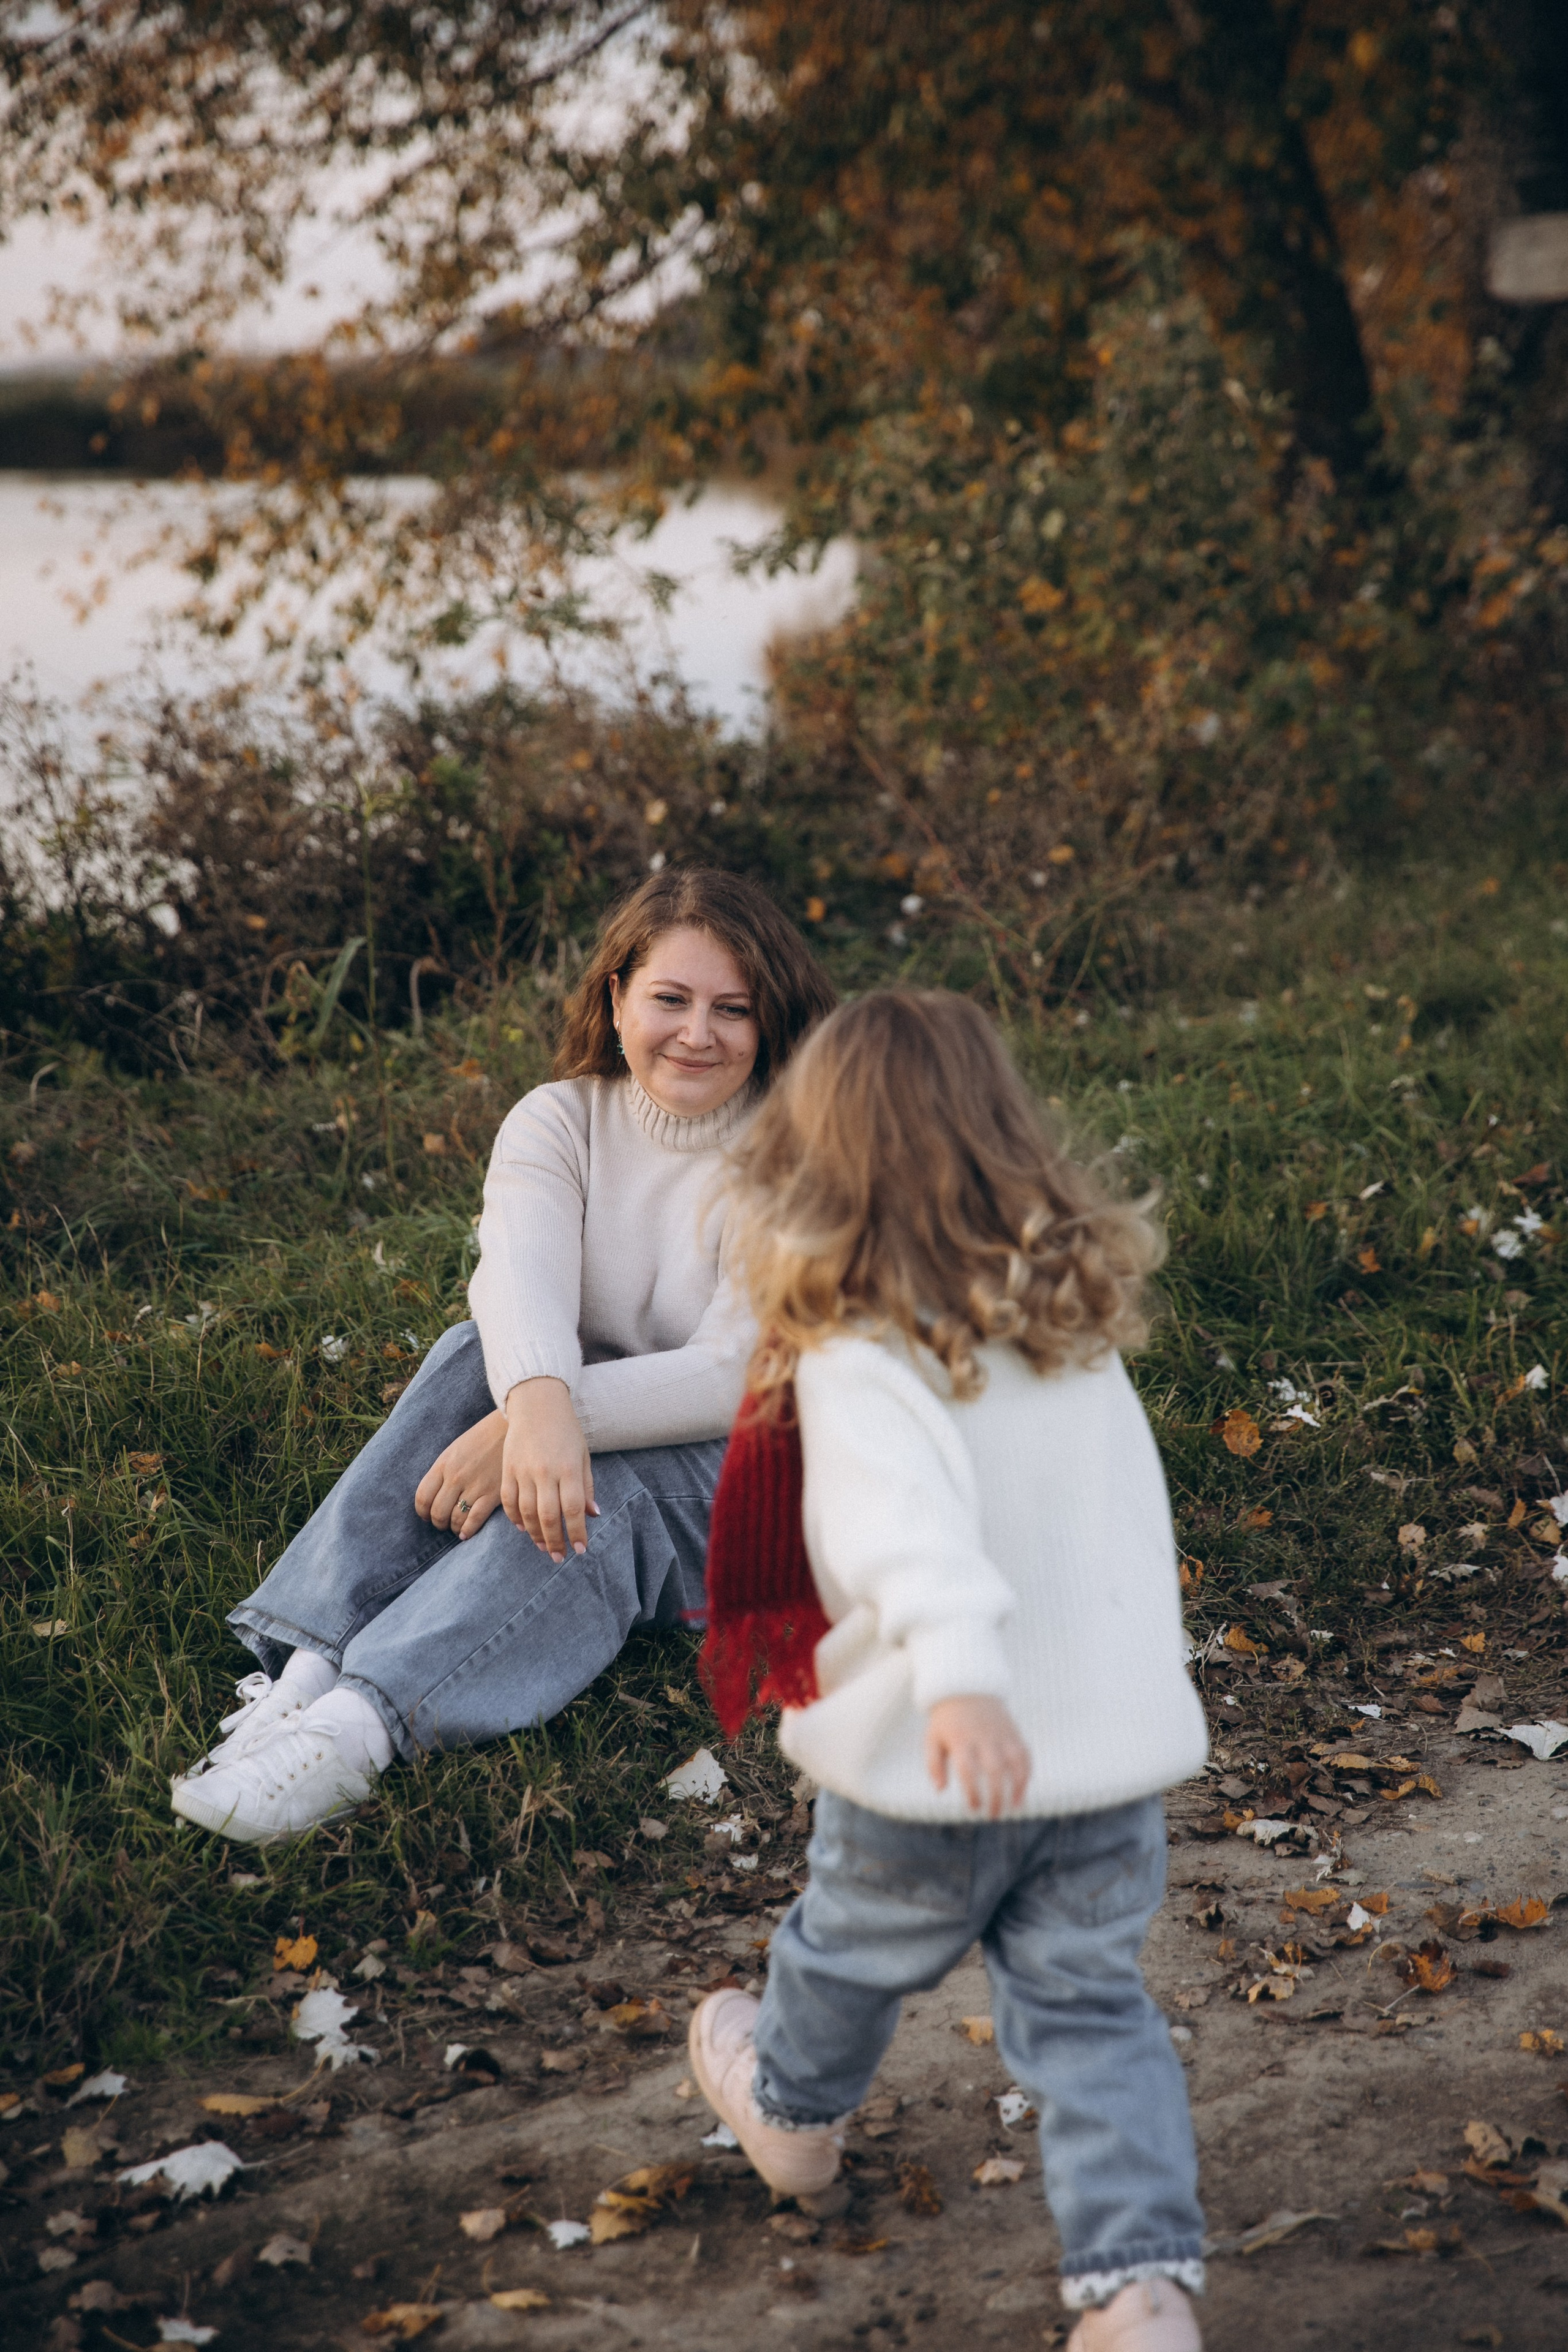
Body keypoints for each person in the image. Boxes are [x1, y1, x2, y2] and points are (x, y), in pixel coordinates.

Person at [687, 990, 1210, 2352]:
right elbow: (1104, 1535)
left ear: (812, 1159)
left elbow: (899, 1532)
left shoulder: (860, 1352)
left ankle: (793, 2119)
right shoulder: (1064, 1327)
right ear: (1003, 1136)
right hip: (1097, 1768)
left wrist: (963, 1678)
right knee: (1089, 2019)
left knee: (844, 1957)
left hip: (931, 1757)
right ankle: (1138, 2289)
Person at [170, 867, 834, 1845]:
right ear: (616, 1000)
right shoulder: (558, 1119)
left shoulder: (802, 1152)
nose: (698, 1033)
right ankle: (303, 1673)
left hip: (758, 1482)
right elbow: (516, 1283)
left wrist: (550, 1419)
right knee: (473, 1351)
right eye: (671, 999)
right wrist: (535, 1406)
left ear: (768, 1021)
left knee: (620, 1479)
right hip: (579, 1417)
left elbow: (740, 1372)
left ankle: (359, 1729)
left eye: (733, 1010)